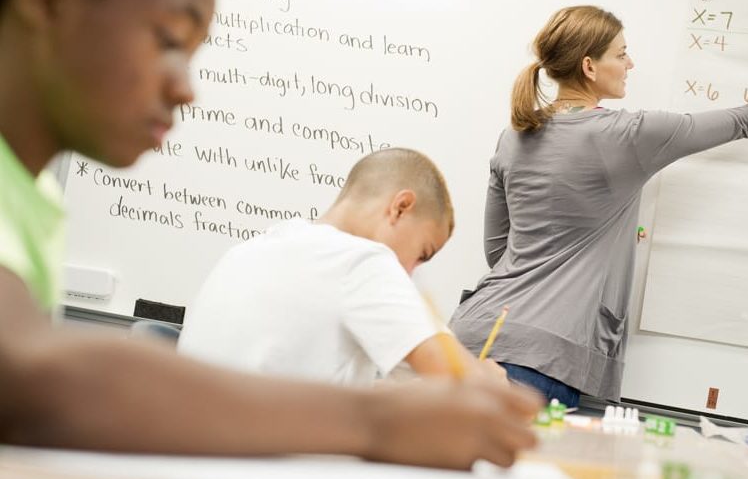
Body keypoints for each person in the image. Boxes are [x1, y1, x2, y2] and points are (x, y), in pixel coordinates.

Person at [0, 0, 540, 479]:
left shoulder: (36, 199)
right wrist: (378, 421)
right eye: (169, 40)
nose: (186, 87)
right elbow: (28, 376)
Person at [450, 5, 748, 407]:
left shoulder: (515, 135)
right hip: (538, 359)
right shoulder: (628, 134)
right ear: (589, 66)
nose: (630, 64)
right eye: (622, 53)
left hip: (468, 337)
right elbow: (745, 120)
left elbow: (497, 252)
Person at [180, 148, 505, 385]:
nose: (410, 272)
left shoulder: (255, 247)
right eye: (422, 253)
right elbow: (463, 385)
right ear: (400, 208)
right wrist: (487, 376)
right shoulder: (363, 261)